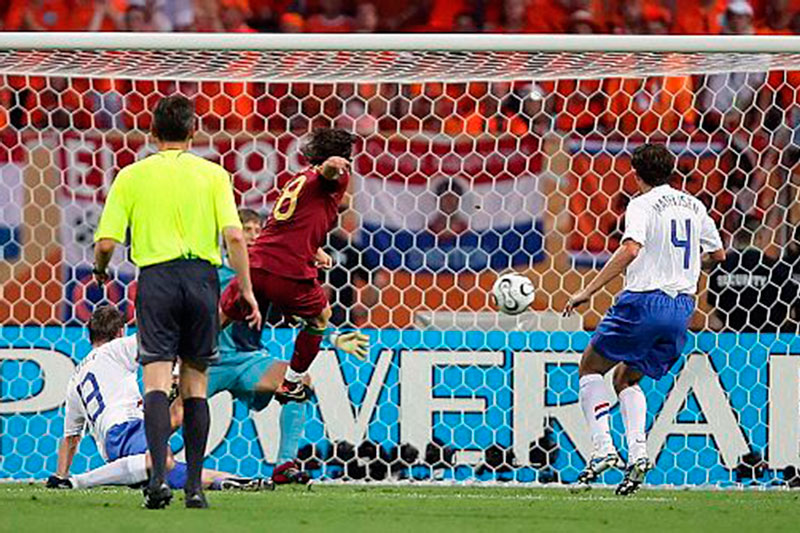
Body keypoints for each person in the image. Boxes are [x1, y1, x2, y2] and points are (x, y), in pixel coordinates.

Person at [93, 95, 260, 509]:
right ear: (192, 131)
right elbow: (236, 237)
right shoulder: (214, 174)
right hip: (202, 280)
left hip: (156, 280)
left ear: (151, 134)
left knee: (154, 381)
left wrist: (100, 268)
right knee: (195, 384)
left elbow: (106, 242)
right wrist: (246, 287)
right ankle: (195, 490)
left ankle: (156, 484)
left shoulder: (131, 175)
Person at [563, 143, 726, 495]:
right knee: (626, 378)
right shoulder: (694, 204)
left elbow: (631, 248)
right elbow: (718, 253)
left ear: (635, 174)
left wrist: (588, 290)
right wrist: (685, 269)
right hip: (682, 307)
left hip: (643, 302)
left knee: (590, 368)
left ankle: (603, 449)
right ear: (671, 172)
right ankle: (638, 452)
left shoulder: (641, 204)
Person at [171, 208, 369, 484]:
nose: (252, 235)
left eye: (257, 230)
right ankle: (143, 459)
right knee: (175, 415)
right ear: (230, 236)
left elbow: (300, 312)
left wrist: (333, 337)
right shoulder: (209, 272)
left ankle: (285, 464)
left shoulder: (265, 273)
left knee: (298, 383)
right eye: (245, 229)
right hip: (207, 361)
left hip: (249, 361)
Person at [46, 306, 267, 492]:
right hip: (128, 428)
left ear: (90, 334)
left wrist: (59, 473)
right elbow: (159, 340)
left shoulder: (75, 379)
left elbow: (71, 438)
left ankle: (227, 480)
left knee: (169, 467)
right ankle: (79, 481)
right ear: (120, 331)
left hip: (114, 446)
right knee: (162, 461)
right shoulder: (115, 349)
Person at [220, 128, 355, 405]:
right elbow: (328, 174)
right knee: (320, 317)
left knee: (221, 315)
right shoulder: (330, 177)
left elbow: (287, 225)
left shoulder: (298, 180)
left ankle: (177, 370)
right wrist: (333, 166)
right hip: (288, 272)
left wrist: (313, 249)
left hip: (256, 264)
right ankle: (292, 382)